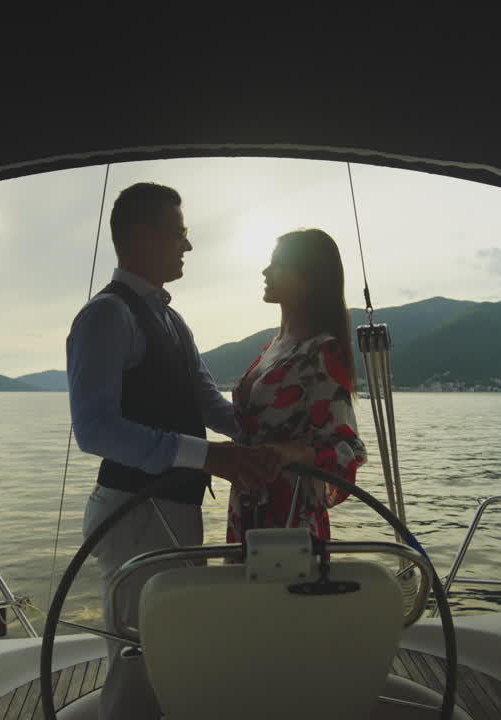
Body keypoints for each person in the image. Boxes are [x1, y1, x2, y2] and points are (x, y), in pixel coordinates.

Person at [67, 182, 279, 720]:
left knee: (177, 641)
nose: (187, 246)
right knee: (138, 654)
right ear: (141, 235)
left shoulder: (170, 319)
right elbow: (94, 429)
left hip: (175, 511)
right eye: (179, 233)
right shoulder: (105, 317)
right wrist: (209, 457)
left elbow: (207, 402)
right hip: (132, 513)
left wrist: (275, 439)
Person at [229, 229, 368, 543]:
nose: (266, 271)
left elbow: (348, 451)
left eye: (277, 265)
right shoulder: (274, 346)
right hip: (248, 505)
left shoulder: (321, 352)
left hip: (289, 519)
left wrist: (291, 452)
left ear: (307, 280)